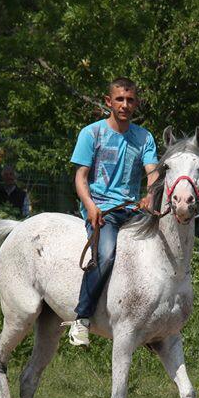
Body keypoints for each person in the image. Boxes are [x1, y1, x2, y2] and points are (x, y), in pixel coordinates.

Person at [65, 77, 158, 346]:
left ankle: (153, 320)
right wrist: (91, 207)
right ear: (109, 102)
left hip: (134, 211)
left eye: (130, 100)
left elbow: (153, 174)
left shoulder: (144, 137)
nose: (125, 105)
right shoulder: (91, 133)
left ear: (136, 103)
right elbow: (80, 177)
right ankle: (82, 319)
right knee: (105, 256)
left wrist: (150, 197)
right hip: (103, 211)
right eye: (119, 99)